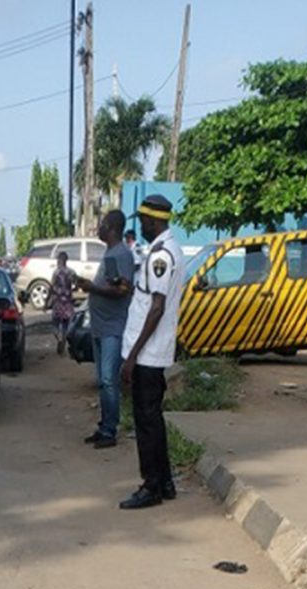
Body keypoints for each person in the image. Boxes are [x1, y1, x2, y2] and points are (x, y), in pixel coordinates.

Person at [118, 195, 185, 509]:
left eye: (144, 221)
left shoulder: (162, 257)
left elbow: (156, 308)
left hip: (147, 354)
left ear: (153, 221)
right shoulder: (166, 251)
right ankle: (165, 481)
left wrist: (132, 356)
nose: (141, 226)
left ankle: (151, 486)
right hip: (150, 352)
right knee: (152, 419)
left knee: (146, 422)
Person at [76, 210, 135, 449]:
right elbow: (113, 282)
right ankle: (104, 426)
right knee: (102, 379)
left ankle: (110, 430)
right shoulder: (111, 253)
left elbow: (123, 290)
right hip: (101, 327)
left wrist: (93, 289)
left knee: (110, 379)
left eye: (101, 225)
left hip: (113, 327)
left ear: (111, 227)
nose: (98, 229)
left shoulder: (122, 254)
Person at [46, 251, 76, 355]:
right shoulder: (71, 272)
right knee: (66, 324)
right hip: (67, 301)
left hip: (57, 301)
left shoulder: (56, 272)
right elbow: (76, 284)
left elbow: (51, 287)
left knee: (55, 323)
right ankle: (63, 338)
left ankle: (58, 337)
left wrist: (47, 301)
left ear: (59, 260)